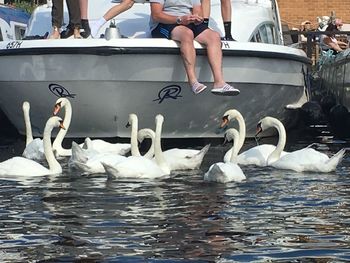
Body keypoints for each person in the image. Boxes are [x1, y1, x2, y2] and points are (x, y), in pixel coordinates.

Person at [149, 0, 240, 95]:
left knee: (214, 37)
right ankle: (193, 82)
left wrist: (196, 17)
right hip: (163, 24)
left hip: (187, 22)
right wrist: (179, 19)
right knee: (187, 34)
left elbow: (198, 9)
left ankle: (219, 82)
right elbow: (156, 15)